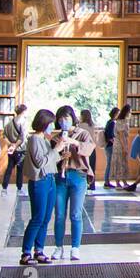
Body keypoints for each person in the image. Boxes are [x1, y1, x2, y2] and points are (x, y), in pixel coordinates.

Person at [21, 109, 64, 266]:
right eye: (50, 123)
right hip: (39, 181)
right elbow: (40, 162)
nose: (52, 127)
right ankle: (26, 253)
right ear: (44, 123)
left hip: (50, 179)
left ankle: (39, 250)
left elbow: (50, 160)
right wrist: (55, 151)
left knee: (46, 218)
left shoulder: (45, 140)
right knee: (37, 217)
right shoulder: (34, 139)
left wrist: (60, 155)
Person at [51, 105, 94, 260]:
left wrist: (74, 144)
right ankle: (58, 247)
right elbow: (51, 158)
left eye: (67, 118)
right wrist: (60, 154)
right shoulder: (56, 137)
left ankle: (75, 247)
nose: (64, 122)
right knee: (59, 214)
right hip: (60, 178)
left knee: (76, 214)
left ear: (73, 118)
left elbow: (89, 149)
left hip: (78, 176)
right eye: (61, 119)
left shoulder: (82, 134)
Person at [2, 104, 30, 197]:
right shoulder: (24, 123)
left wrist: (10, 144)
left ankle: (4, 189)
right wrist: (15, 145)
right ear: (23, 112)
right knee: (20, 170)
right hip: (20, 149)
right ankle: (19, 189)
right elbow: (22, 138)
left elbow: (4, 136)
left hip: (11, 150)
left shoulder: (10, 123)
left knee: (9, 168)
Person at [79, 110, 98, 191]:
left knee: (84, 167)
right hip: (92, 149)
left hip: (84, 149)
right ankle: (92, 185)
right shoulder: (92, 125)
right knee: (92, 168)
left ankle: (85, 185)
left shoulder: (80, 126)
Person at [102, 106, 120, 188]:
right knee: (109, 164)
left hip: (108, 146)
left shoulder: (109, 122)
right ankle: (106, 182)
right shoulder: (113, 123)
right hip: (111, 146)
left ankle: (107, 181)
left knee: (109, 164)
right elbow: (111, 136)